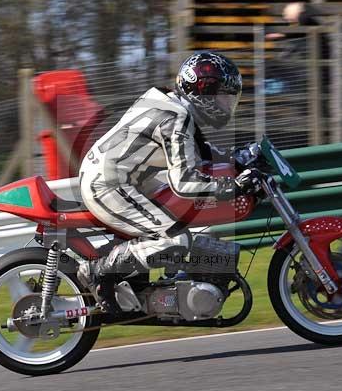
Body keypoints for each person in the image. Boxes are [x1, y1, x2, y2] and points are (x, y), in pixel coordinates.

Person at [77, 52, 257, 313]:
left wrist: (235, 159)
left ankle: (146, 285)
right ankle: (97, 272)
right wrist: (232, 186)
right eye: (222, 97)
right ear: (202, 92)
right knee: (175, 241)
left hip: (126, 180)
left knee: (176, 227)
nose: (226, 105)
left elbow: (196, 152)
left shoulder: (174, 108)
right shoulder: (176, 118)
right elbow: (184, 183)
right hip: (109, 185)